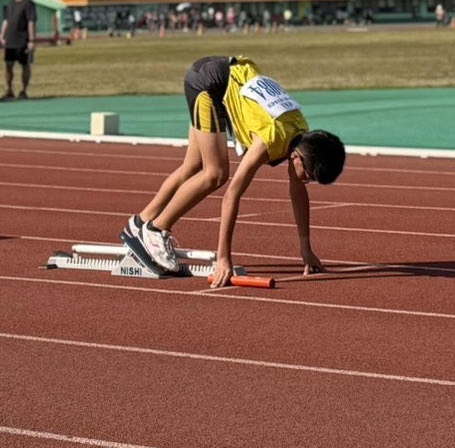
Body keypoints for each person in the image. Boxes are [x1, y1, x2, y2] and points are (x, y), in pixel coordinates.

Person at [118, 56, 347, 288]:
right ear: (298, 157)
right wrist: (223, 258)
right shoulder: (269, 140)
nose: (306, 182)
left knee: (193, 165)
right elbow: (232, 196)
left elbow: (297, 194)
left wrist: (305, 249)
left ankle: (140, 222)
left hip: (220, 75)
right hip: (209, 84)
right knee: (216, 174)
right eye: (308, 176)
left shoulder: (301, 134)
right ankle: (156, 229)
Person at [0, 0, 35, 99]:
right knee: (8, 65)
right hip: (10, 40)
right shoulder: (10, 4)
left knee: (25, 65)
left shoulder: (28, 3)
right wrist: (2, 35)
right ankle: (9, 90)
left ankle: (24, 91)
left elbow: (31, 22)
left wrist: (31, 40)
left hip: (22, 40)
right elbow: (6, 20)